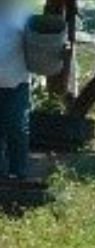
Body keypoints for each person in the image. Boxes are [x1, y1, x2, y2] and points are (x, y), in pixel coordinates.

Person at [0, 0, 31, 180]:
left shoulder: (23, 14)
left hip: (17, 82)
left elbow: (40, 44)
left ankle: (18, 175)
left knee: (16, 128)